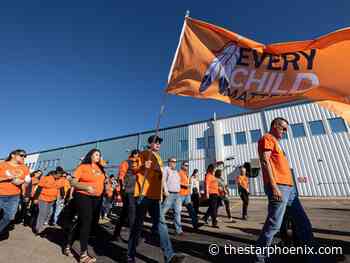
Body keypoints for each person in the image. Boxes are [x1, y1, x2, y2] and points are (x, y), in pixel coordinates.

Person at [255, 117, 318, 263]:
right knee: (274, 225)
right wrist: (274, 187)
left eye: (286, 130)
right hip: (279, 187)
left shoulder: (277, 143)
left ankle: (312, 256)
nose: (285, 132)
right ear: (275, 125)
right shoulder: (267, 138)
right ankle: (260, 258)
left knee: (303, 222)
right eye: (283, 128)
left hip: (290, 189)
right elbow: (265, 161)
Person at [127, 135, 186, 263]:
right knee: (138, 225)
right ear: (150, 143)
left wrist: (161, 194)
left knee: (162, 225)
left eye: (159, 143)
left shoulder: (159, 158)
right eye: (156, 142)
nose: (158, 144)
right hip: (143, 194)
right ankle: (130, 256)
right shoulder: (143, 154)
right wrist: (143, 166)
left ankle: (169, 256)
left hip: (155, 196)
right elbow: (133, 169)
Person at [70, 149, 109, 263]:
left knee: (86, 223)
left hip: (97, 198)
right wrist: (85, 187)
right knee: (86, 222)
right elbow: (73, 182)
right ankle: (83, 254)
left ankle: (68, 243)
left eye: (100, 155)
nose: (98, 156)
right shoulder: (83, 167)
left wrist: (106, 186)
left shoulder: (101, 169)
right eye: (96, 154)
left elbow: (103, 182)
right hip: (83, 196)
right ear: (90, 155)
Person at [0, 149, 30, 239]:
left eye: (25, 156)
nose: (24, 157)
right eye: (21, 155)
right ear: (13, 155)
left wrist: (23, 181)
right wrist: (9, 178)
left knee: (9, 217)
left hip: (14, 196)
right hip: (0, 193)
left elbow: (27, 181)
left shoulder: (24, 167)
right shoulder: (3, 164)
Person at [113, 149, 141, 240]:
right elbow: (121, 176)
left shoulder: (140, 164)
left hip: (137, 192)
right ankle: (134, 237)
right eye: (137, 155)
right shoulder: (126, 163)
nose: (138, 157)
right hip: (129, 191)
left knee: (124, 213)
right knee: (132, 214)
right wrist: (121, 189)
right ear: (134, 155)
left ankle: (116, 234)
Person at [33, 169, 66, 235]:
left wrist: (63, 196)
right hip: (43, 198)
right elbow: (39, 188)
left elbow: (62, 188)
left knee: (47, 213)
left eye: (61, 175)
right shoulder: (46, 178)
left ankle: (40, 226)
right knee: (42, 213)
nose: (60, 176)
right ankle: (38, 228)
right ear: (55, 174)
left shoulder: (61, 180)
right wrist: (35, 198)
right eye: (59, 175)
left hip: (52, 199)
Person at [161, 157, 182, 235]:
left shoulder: (176, 172)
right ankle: (157, 227)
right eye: (173, 161)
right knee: (163, 212)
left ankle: (178, 230)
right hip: (170, 194)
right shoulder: (166, 169)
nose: (174, 163)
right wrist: (165, 191)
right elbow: (163, 180)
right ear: (169, 162)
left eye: (175, 162)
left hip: (177, 194)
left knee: (177, 212)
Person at [178, 161, 198, 230]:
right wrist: (185, 185)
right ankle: (178, 228)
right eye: (186, 165)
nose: (187, 167)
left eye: (188, 166)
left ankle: (195, 224)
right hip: (180, 194)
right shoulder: (179, 173)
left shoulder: (186, 173)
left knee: (191, 209)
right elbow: (177, 182)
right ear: (182, 165)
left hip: (187, 194)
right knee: (178, 211)